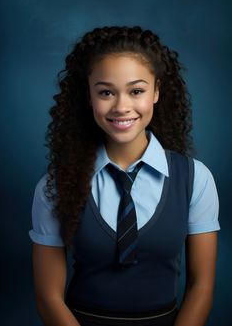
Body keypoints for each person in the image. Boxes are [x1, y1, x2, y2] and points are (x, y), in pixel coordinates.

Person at [29, 26, 220, 326]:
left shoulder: (196, 179)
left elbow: (202, 287)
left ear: (156, 91)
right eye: (106, 92)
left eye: (136, 91)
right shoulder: (54, 186)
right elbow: (48, 298)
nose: (121, 107)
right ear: (89, 96)